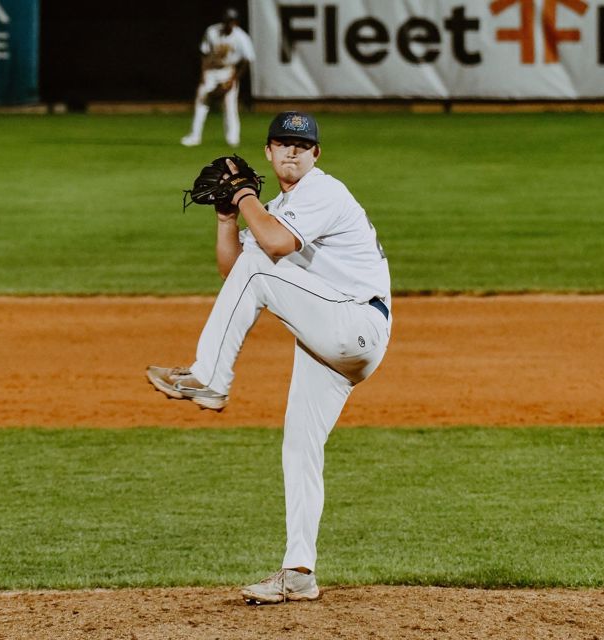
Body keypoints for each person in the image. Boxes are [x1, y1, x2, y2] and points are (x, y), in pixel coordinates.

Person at [148, 111, 391, 604]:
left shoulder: (323, 191)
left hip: (356, 324)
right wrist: (226, 217)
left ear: (316, 154)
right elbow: (233, 271)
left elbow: (272, 248)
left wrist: (243, 195)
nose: (292, 151)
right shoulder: (278, 207)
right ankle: (299, 572)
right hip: (329, 338)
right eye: (282, 143)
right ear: (268, 151)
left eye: (301, 144)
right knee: (300, 448)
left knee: (261, 266)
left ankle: (209, 378)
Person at [181, 7, 255, 148]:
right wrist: (203, 74)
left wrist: (233, 79)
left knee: (230, 105)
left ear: (236, 22)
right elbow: (204, 54)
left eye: (232, 21)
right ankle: (194, 136)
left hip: (228, 71)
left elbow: (247, 60)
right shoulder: (212, 31)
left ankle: (232, 138)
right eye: (227, 20)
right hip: (211, 71)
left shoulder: (241, 37)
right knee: (201, 101)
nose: (229, 23)